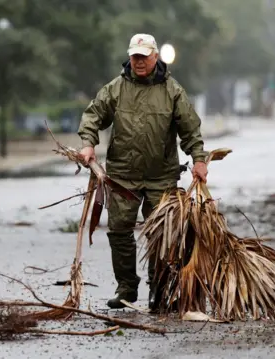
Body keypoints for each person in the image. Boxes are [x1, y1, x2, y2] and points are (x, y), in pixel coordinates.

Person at [76, 33, 209, 309]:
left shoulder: (173, 91)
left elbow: (190, 129)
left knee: (160, 233)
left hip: (161, 176)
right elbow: (93, 115)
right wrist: (88, 143)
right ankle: (126, 287)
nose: (138, 62)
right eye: (134, 56)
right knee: (119, 230)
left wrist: (198, 159)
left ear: (155, 57)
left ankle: (157, 289)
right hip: (122, 175)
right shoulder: (116, 89)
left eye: (144, 56)